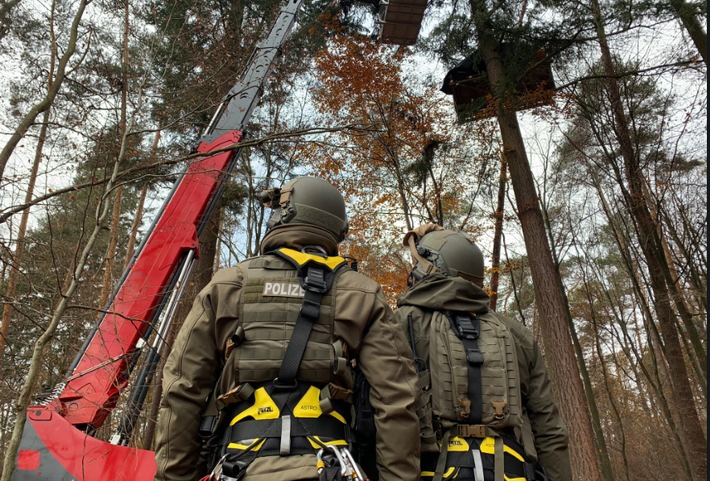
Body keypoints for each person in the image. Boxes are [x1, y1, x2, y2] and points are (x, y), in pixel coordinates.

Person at [154, 175, 421, 481]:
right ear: (334, 228)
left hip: (237, 467)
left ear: (281, 217)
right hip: (331, 467)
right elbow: (396, 400)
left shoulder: (227, 285)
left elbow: (182, 390)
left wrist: (174, 476)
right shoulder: (361, 292)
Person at [394, 225, 571, 481]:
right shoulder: (517, 334)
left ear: (429, 269)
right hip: (512, 469)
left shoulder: (398, 323)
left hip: (432, 469)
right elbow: (549, 429)